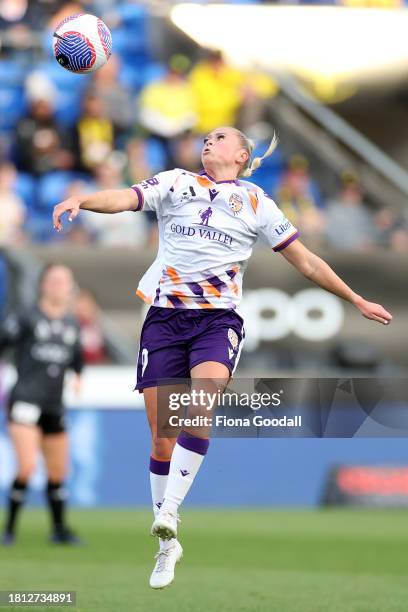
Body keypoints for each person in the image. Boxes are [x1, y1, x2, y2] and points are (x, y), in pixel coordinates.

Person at [53, 126, 392, 588]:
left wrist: (355, 299)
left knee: (203, 403)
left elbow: (307, 261)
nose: (208, 142)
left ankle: (169, 511)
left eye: (219, 138)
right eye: (206, 138)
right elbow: (124, 198)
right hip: (164, 321)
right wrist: (83, 201)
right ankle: (166, 545)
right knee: (160, 441)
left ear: (241, 154)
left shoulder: (256, 203)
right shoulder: (175, 183)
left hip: (216, 322)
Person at [1, 264, 84, 545]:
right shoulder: (26, 317)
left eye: (64, 281)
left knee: (59, 472)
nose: (58, 286)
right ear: (43, 285)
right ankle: (9, 531)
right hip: (25, 400)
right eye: (54, 280)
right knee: (26, 467)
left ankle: (59, 530)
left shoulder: (72, 324)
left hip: (54, 404)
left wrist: (78, 378)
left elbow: (77, 359)